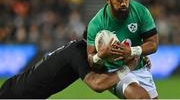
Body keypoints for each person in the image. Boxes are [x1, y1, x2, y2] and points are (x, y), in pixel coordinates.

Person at [0, 31, 143, 99]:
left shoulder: (81, 50)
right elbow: (97, 84)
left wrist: (136, 59)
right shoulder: (78, 54)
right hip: (15, 95)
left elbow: (104, 64)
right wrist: (128, 67)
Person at [87, 0, 159, 99]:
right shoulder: (96, 24)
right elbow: (91, 60)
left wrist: (131, 51)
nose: (123, 3)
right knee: (141, 98)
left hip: (139, 66)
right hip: (115, 71)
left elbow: (153, 44)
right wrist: (100, 56)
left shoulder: (140, 11)